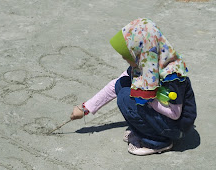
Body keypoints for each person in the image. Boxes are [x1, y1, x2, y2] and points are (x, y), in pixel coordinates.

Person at [70, 18, 197, 156]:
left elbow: (175, 113)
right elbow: (115, 85)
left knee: (126, 97)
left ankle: (157, 141)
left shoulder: (172, 76)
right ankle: (147, 129)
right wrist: (86, 108)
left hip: (176, 126)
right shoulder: (146, 63)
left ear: (142, 51)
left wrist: (149, 100)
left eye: (128, 55)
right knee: (122, 84)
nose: (125, 59)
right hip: (162, 117)